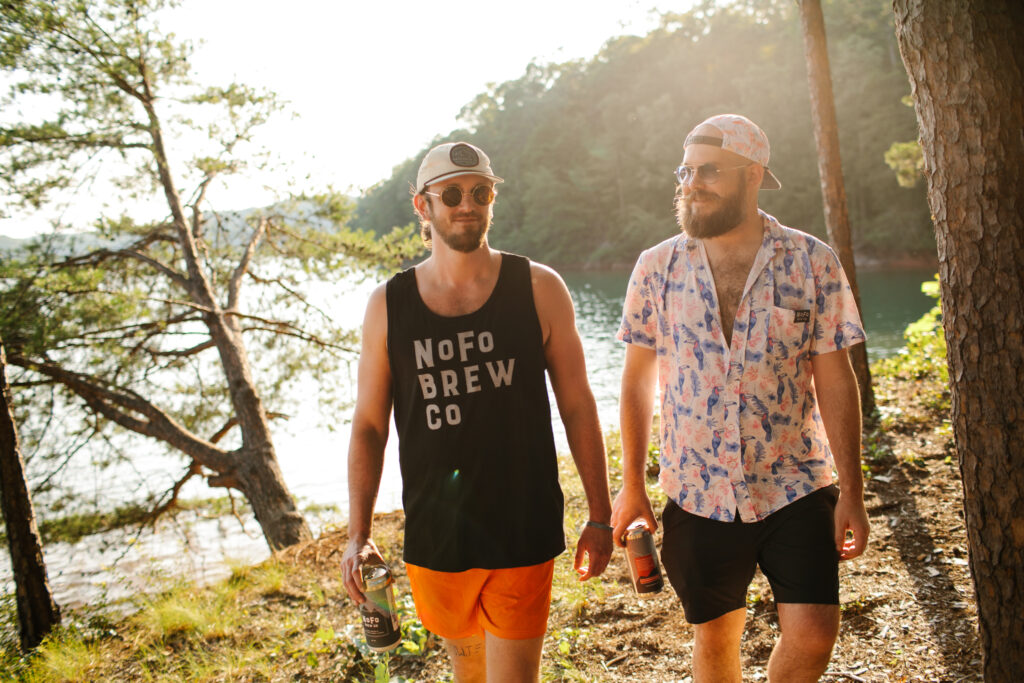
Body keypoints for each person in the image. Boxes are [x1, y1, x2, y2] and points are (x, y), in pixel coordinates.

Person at [341, 141, 613, 682]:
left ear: (493, 199)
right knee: (468, 674)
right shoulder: (388, 306)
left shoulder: (539, 288)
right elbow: (370, 426)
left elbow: (578, 404)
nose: (468, 204)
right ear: (423, 206)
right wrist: (358, 534)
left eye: (481, 192)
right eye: (452, 194)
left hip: (522, 527)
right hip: (437, 537)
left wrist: (601, 514)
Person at [611, 114, 870, 682]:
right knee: (716, 637)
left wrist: (852, 490)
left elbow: (834, 378)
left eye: (709, 171)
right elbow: (635, 382)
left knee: (815, 633)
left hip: (796, 482)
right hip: (698, 488)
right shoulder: (656, 268)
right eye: (686, 170)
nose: (691, 182)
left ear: (752, 176)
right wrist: (632, 485)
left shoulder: (811, 261)